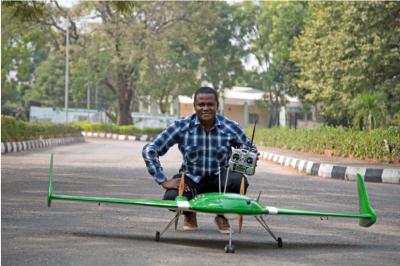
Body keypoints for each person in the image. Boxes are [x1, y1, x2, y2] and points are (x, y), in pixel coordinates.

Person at [142, 86, 257, 234]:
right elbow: (149, 149)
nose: (205, 108)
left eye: (210, 104)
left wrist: (249, 156)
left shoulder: (230, 127)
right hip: (191, 179)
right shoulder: (181, 126)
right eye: (201, 104)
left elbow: (250, 148)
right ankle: (189, 214)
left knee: (238, 180)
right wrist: (163, 180)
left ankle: (222, 216)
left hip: (219, 180)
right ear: (194, 106)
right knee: (171, 197)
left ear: (217, 106)